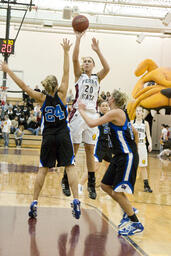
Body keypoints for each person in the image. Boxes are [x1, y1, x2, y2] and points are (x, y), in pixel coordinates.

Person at [0, 38, 81, 220]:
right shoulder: (61, 94)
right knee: (70, 166)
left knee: (43, 169)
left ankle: (34, 202)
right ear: (55, 84)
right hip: (63, 134)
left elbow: (23, 86)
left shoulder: (41, 98)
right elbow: (66, 71)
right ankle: (76, 200)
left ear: (45, 85)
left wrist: (8, 70)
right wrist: (66, 52)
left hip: (48, 136)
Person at [78, 89, 144, 236]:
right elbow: (134, 132)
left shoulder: (117, 113)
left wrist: (81, 110)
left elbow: (91, 123)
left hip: (127, 156)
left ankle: (135, 222)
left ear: (113, 99)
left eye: (110, 96)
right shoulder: (121, 113)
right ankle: (128, 210)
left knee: (117, 191)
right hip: (119, 156)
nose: (108, 98)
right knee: (105, 185)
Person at [61, 31, 110, 200]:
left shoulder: (97, 77)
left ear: (93, 65)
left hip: (93, 116)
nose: (87, 63)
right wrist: (78, 39)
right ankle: (65, 180)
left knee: (90, 150)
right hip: (77, 114)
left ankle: (91, 184)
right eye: (85, 61)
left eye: (90, 61)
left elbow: (108, 68)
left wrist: (97, 50)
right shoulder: (79, 75)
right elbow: (74, 59)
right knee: (73, 149)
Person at [131, 106, 153, 193]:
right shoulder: (131, 122)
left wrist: (150, 144)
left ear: (143, 113)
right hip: (134, 147)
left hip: (142, 146)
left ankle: (146, 185)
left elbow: (148, 135)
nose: (139, 112)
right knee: (132, 166)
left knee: (143, 166)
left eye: (140, 111)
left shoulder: (146, 123)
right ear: (135, 112)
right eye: (137, 111)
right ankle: (130, 184)